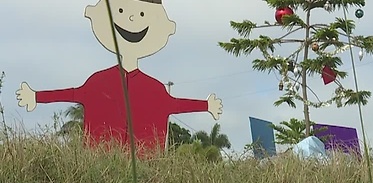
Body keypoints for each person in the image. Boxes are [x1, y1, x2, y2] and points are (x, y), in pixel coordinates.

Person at [15, 0, 223, 153]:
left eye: (143, 15)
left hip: (145, 172)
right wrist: (36, 96)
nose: (131, 19)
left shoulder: (155, 90)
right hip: (98, 167)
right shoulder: (98, 83)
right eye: (121, 10)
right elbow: (72, 93)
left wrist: (207, 106)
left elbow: (176, 104)